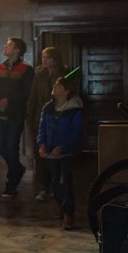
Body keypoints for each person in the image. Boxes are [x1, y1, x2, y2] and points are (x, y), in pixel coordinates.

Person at [0, 37, 34, 198]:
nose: (5, 47)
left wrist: (10, 100)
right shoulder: (0, 67)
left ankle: (11, 185)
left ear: (17, 50)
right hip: (1, 113)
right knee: (1, 147)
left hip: (16, 114)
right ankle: (18, 169)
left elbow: (27, 92)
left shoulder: (26, 69)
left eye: (9, 45)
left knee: (11, 149)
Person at [37, 76, 83, 230]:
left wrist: (63, 147)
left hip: (66, 153)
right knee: (55, 182)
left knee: (66, 183)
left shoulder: (74, 110)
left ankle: (68, 214)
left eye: (58, 86)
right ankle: (59, 205)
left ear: (66, 90)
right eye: (54, 86)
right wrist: (42, 144)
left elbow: (76, 132)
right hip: (51, 152)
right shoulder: (48, 108)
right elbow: (42, 128)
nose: (54, 88)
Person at [26, 47, 68, 202]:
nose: (45, 60)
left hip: (58, 119)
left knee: (56, 156)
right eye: (43, 57)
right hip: (40, 120)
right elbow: (34, 97)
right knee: (41, 157)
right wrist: (31, 120)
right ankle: (43, 188)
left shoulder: (63, 75)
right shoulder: (39, 76)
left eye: (48, 57)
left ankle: (56, 187)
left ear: (55, 59)